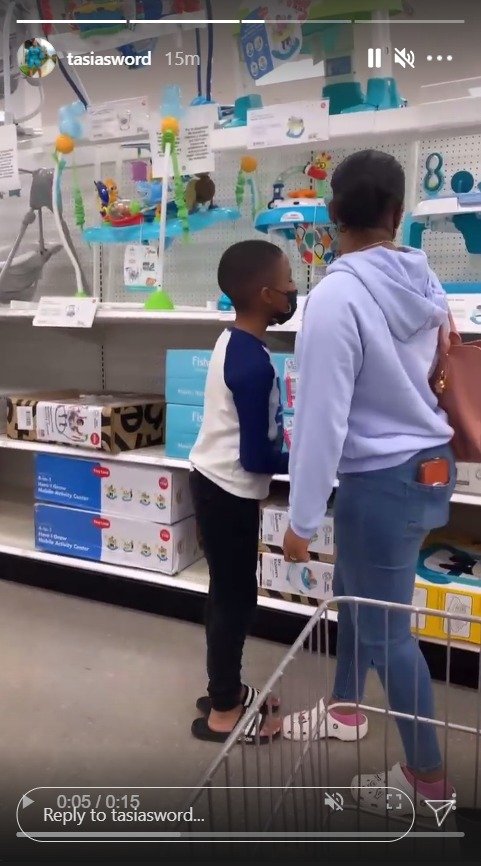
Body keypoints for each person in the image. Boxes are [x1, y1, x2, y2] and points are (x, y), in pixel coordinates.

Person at [282, 149, 456, 816]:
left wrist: (299, 520)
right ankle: (346, 708)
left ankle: (428, 779)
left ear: (330, 218)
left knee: (386, 630)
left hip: (378, 480)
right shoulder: (425, 284)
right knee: (355, 595)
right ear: (397, 214)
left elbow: (320, 418)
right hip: (426, 465)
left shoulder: (335, 298)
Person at [190, 239, 296, 743]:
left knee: (226, 592)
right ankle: (225, 711)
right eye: (289, 281)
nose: (295, 289)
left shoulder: (235, 341)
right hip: (229, 489)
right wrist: (309, 462)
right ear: (266, 293)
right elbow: (256, 457)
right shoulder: (254, 365)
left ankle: (222, 688)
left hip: (215, 482)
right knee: (235, 598)